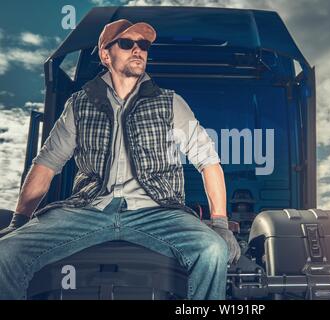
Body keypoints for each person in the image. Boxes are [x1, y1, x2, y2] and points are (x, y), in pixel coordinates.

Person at [0, 19, 240, 300]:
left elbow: (208, 161)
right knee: (7, 252)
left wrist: (220, 224)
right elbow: (46, 164)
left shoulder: (170, 103)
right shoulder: (79, 105)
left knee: (211, 249)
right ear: (105, 55)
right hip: (88, 211)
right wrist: (19, 221)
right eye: (127, 44)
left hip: (158, 213)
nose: (138, 50)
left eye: (144, 45)